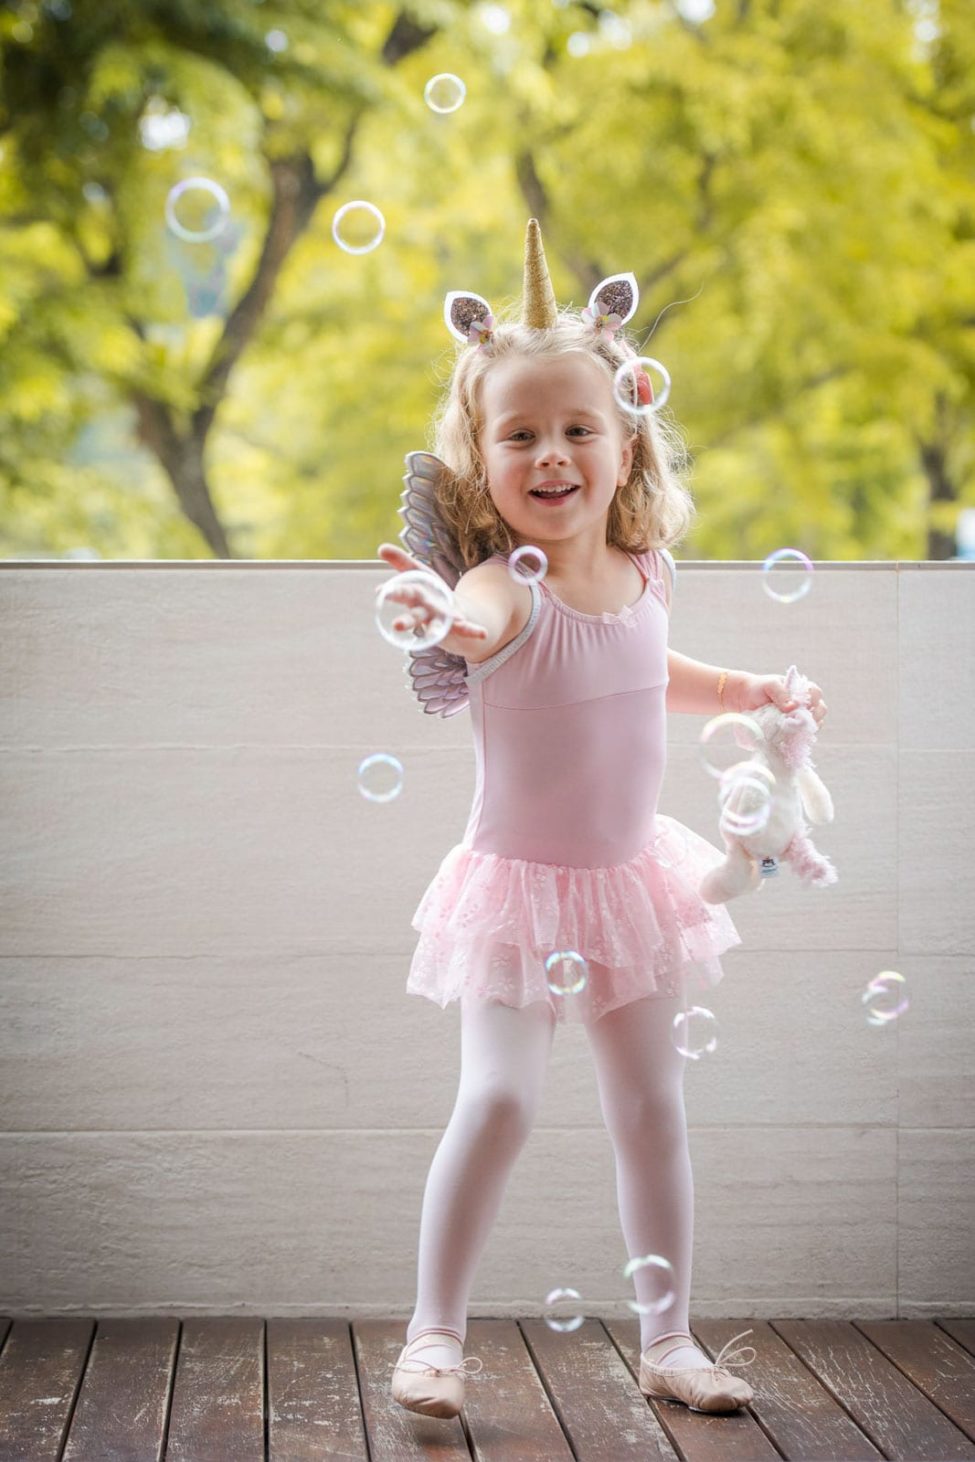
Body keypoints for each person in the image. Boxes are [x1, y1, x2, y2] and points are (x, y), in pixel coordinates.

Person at [376, 221, 828, 1421]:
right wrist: (436, 616)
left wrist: (750, 691)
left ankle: (671, 1337)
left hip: (631, 882)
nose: (553, 452)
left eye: (579, 428)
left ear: (626, 446)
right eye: (519, 433)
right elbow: (477, 631)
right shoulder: (495, 588)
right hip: (520, 888)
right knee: (503, 1098)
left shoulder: (643, 573)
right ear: (479, 463)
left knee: (650, 1106)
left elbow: (643, 666)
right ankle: (433, 1333)